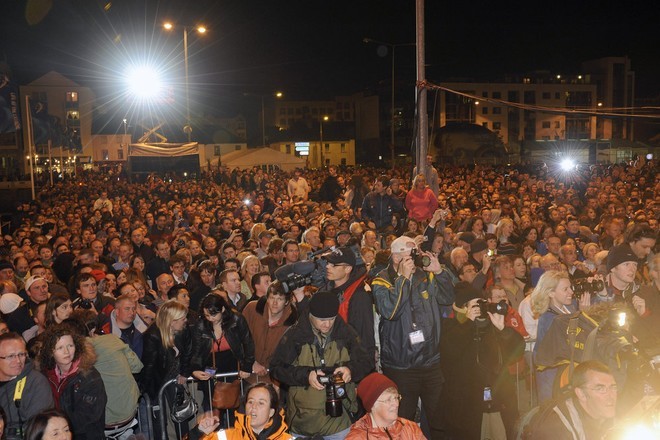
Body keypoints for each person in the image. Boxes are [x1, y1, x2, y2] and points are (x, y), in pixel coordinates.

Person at [371, 236, 454, 440]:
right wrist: (403, 279)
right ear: (396, 256)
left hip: (430, 362)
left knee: (440, 420)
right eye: (411, 254)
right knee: (402, 423)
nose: (415, 258)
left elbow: (448, 298)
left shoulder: (425, 275)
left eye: (416, 252)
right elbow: (390, 311)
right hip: (401, 366)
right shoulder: (381, 280)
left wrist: (439, 272)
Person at [270, 291, 372, 439]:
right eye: (322, 320)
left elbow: (366, 361)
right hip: (302, 422)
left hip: (340, 420)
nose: (327, 324)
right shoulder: (295, 335)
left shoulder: (346, 332)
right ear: (311, 315)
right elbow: (276, 368)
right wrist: (307, 376)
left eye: (332, 319)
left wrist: (350, 370)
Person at [441, 282, 525, 439]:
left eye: (482, 303)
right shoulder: (452, 327)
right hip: (467, 404)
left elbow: (519, 350)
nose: (480, 309)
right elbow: (449, 353)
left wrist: (502, 329)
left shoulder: (494, 326)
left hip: (499, 400)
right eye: (475, 305)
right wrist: (468, 324)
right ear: (464, 308)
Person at [38, 324, 107, 440]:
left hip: (85, 435)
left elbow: (87, 418)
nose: (67, 352)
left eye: (70, 345)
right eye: (60, 348)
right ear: (50, 352)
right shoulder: (46, 374)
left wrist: (57, 431)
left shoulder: (91, 377)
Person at [191, 294, 255, 410]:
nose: (210, 318)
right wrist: (195, 369)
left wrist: (247, 366)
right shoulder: (200, 325)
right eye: (206, 315)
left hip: (233, 366)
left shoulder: (236, 319)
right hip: (210, 368)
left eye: (214, 314)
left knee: (234, 404)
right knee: (211, 407)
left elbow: (248, 342)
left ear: (223, 309)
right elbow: (196, 351)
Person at [523, 360, 617, 440]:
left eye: (613, 387)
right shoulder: (556, 431)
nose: (610, 396)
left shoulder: (605, 415)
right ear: (581, 394)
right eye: (600, 389)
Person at [140, 300, 193, 438]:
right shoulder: (153, 335)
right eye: (182, 319)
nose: (186, 321)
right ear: (172, 321)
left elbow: (188, 351)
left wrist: (184, 373)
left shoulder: (183, 329)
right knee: (158, 419)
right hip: (157, 381)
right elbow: (149, 366)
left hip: (175, 378)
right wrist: (144, 391)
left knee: (181, 415)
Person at [0, 333, 54, 440]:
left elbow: (38, 430)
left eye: (21, 354)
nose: (18, 361)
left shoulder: (36, 383)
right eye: (11, 356)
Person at [242, 280, 298, 380]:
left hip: (274, 379)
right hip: (247, 375)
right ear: (267, 298)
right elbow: (238, 338)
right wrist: (250, 362)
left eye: (280, 299)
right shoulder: (251, 309)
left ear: (286, 302)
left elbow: (290, 354)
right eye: (272, 298)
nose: (275, 303)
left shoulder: (293, 322)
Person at [197, 382, 292, 440]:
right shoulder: (228, 437)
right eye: (250, 401)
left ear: (271, 412)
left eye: (261, 403)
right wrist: (200, 433)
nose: (253, 407)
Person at [346, 372, 425, 440]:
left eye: (396, 397)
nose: (396, 404)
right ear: (372, 406)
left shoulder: (410, 428)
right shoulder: (358, 437)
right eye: (388, 400)